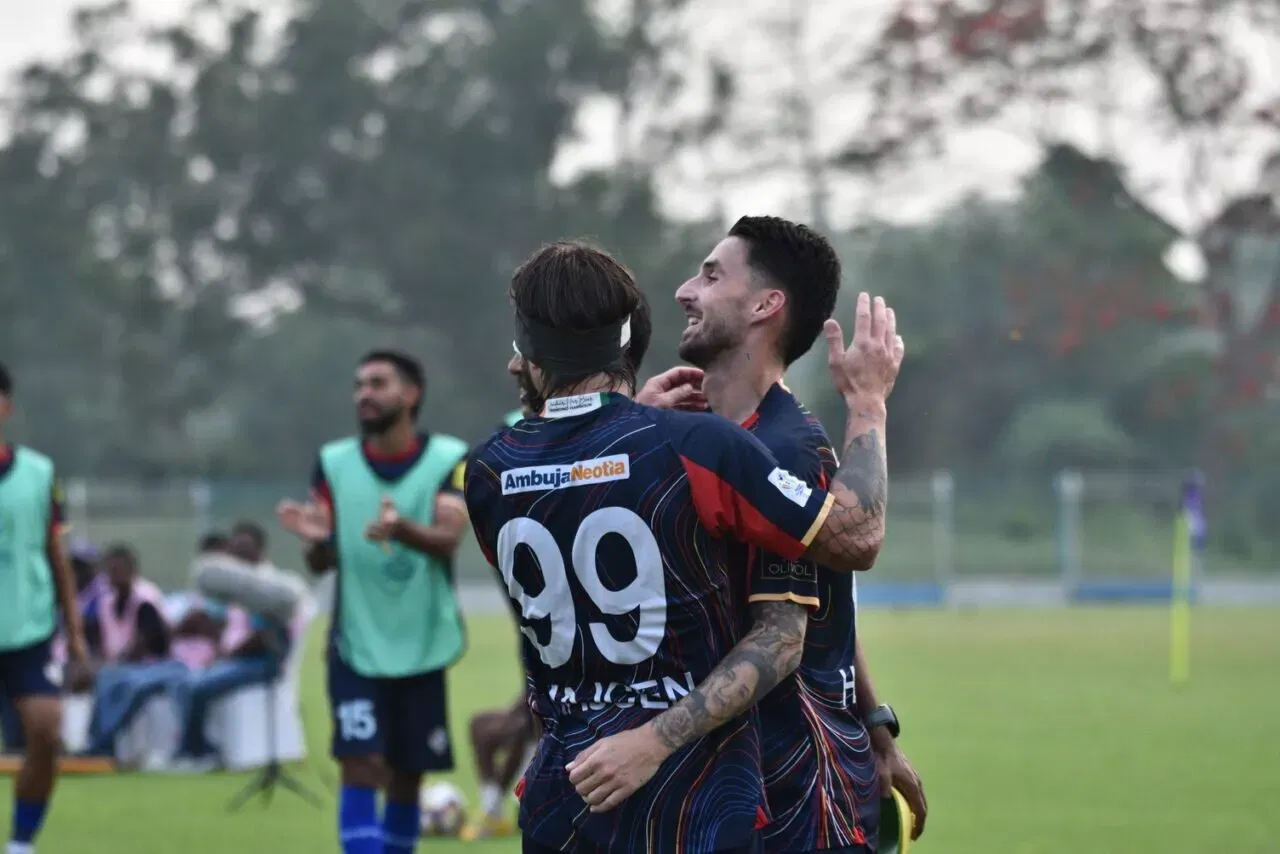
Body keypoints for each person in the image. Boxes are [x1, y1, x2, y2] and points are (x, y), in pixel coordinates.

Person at [464, 240, 901, 854]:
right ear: (627, 343)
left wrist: (621, 431)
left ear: (531, 356)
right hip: (690, 803)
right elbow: (853, 539)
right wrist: (868, 402)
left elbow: (588, 486)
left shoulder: (485, 473)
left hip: (565, 801)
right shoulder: (698, 446)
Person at [657, 216, 926, 852]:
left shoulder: (786, 449)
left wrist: (869, 401)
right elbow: (827, 598)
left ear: (765, 305)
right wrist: (879, 728)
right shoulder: (708, 433)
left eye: (712, 274)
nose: (685, 290)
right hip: (723, 780)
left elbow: (799, 621)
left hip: (794, 791)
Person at [464, 306, 665, 842]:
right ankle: (491, 807)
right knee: (523, 731)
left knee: (519, 731)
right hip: (573, 647)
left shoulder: (499, 456)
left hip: (576, 653)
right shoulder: (667, 441)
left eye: (524, 350)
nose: (512, 366)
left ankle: (490, 808)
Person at [276, 350, 471, 854]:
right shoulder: (333, 462)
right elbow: (321, 563)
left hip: (422, 643)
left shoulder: (451, 457)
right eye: (359, 384)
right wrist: (318, 541)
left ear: (411, 395)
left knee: (406, 774)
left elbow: (449, 537)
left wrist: (400, 529)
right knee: (361, 764)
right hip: (356, 644)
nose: (364, 393)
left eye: (378, 383)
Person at [0, 360, 89, 854]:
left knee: (47, 732)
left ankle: (20, 843)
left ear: (6, 407)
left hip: (27, 633)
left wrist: (75, 638)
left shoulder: (38, 473)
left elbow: (58, 559)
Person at [84, 545, 185, 758]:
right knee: (104, 679)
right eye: (110, 570)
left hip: (160, 666)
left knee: (129, 685)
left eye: (119, 569)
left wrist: (114, 664)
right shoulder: (108, 601)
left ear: (132, 570)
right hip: (125, 667)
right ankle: (97, 740)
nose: (114, 575)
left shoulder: (145, 598)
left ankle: (103, 740)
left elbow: (147, 644)